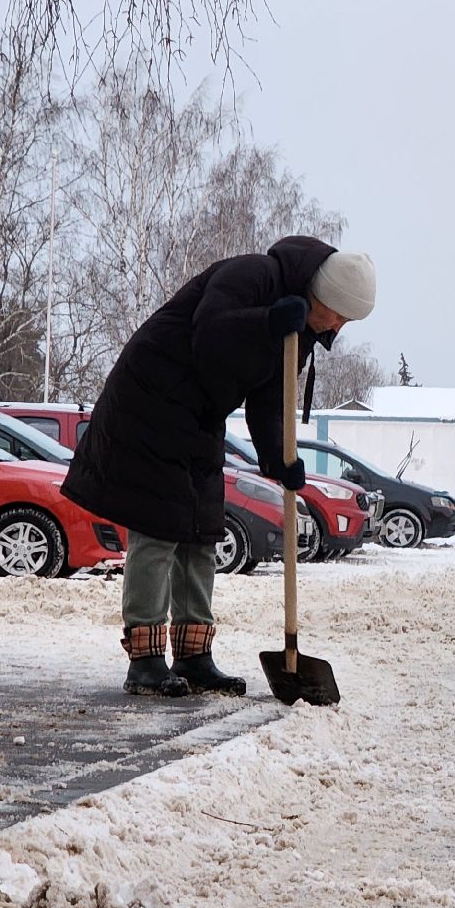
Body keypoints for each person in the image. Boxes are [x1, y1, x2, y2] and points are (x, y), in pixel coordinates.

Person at [62, 236, 375, 697]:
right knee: (160, 526)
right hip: (150, 401)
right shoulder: (253, 275)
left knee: (202, 529)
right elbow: (211, 334)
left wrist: (278, 459)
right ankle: (145, 660)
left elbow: (268, 401)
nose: (339, 325)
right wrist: (268, 321)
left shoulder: (300, 329)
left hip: (200, 417)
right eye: (338, 313)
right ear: (321, 296)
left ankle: (193, 655)